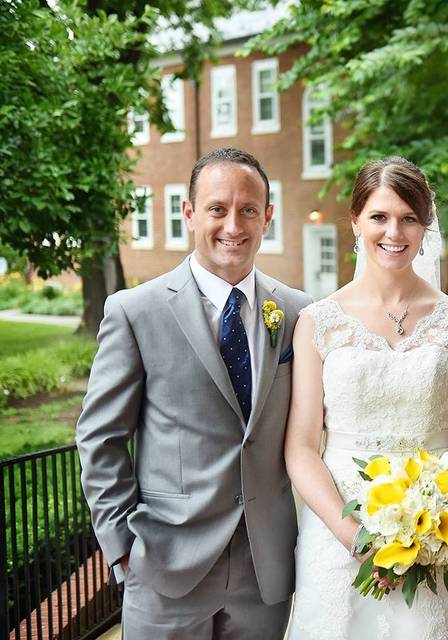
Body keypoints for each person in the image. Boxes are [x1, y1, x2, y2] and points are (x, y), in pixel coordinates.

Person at [76, 147, 313, 638]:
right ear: (189, 213)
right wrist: (123, 549)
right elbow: (100, 438)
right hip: (165, 568)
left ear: (267, 216)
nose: (233, 224)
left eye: (248, 209)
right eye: (217, 208)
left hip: (265, 571)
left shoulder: (297, 312)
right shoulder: (134, 311)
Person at [284, 156, 448, 639]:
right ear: (356, 221)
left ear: (425, 228)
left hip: (440, 533)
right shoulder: (320, 321)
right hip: (339, 531)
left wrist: (443, 517)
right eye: (379, 216)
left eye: (408, 218)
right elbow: (301, 446)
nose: (393, 232)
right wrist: (355, 538)